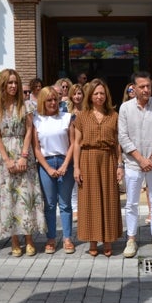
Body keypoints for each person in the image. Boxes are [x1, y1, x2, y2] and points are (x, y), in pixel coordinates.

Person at [0, 69, 45, 257]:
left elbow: (29, 130)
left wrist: (23, 155)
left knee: (26, 197)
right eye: (9, 83)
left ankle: (29, 239)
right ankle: (14, 240)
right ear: (2, 85)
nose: (13, 86)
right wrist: (6, 159)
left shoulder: (26, 105)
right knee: (9, 198)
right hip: (4, 155)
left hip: (23, 151)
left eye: (15, 83)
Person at [119, 71, 152, 258]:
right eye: (142, 86)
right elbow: (123, 137)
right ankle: (131, 239)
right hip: (133, 163)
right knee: (132, 203)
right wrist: (140, 159)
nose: (146, 89)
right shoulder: (125, 108)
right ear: (133, 88)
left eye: (148, 86)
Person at [73, 78, 123, 257]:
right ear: (90, 95)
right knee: (90, 200)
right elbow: (77, 143)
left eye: (102, 93)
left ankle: (108, 240)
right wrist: (76, 168)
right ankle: (93, 241)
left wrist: (120, 165)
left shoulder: (114, 116)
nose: (99, 96)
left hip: (108, 159)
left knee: (109, 198)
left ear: (106, 95)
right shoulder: (82, 117)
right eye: (96, 93)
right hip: (88, 159)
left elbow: (118, 143)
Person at [33, 87, 75, 254]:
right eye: (48, 100)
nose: (52, 103)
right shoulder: (36, 119)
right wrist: (48, 168)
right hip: (46, 163)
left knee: (65, 204)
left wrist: (65, 165)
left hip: (65, 162)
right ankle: (51, 238)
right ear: (42, 101)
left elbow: (73, 143)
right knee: (49, 204)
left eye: (54, 99)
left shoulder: (66, 117)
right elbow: (36, 148)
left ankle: (67, 238)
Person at [67, 83, 85, 220]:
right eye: (75, 94)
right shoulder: (68, 114)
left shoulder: (88, 112)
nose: (77, 96)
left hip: (85, 148)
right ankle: (75, 208)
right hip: (72, 148)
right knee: (74, 180)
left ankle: (85, 206)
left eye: (79, 93)